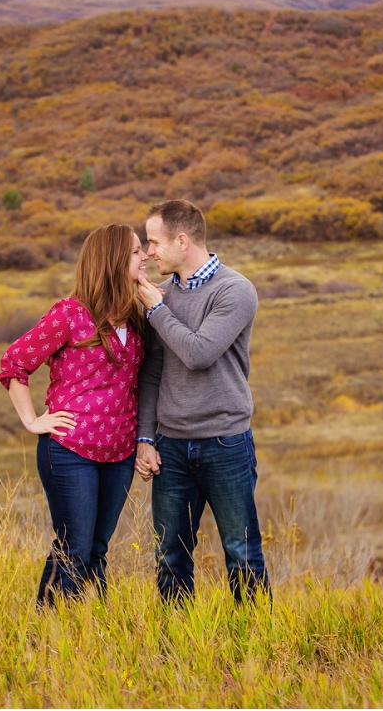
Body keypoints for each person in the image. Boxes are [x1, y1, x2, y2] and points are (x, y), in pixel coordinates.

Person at [0, 223, 149, 607]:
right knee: (75, 548)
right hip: (71, 450)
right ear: (112, 260)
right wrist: (33, 421)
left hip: (120, 452)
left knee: (98, 549)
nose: (145, 255)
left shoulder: (136, 316)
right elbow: (14, 363)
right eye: (135, 251)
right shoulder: (69, 314)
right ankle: (49, 632)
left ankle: (90, 631)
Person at [133, 199, 270, 604]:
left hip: (226, 443)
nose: (150, 251)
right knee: (170, 558)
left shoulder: (236, 290)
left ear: (181, 239)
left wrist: (156, 311)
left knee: (242, 553)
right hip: (171, 446)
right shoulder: (163, 294)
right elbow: (153, 372)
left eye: (154, 242)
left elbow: (199, 353)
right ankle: (180, 646)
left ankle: (257, 645)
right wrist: (145, 438)